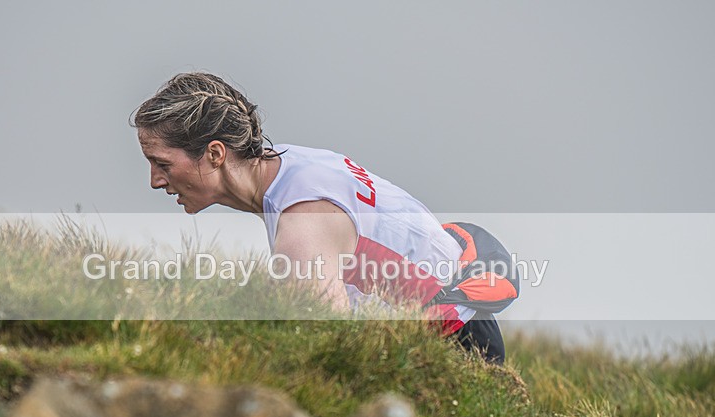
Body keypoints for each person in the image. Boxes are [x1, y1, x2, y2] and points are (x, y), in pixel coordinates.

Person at [132, 72, 518, 364]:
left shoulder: (303, 221)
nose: (154, 181)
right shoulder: (291, 162)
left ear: (215, 154)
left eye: (162, 163)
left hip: (456, 347)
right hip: (467, 317)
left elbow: (334, 350)